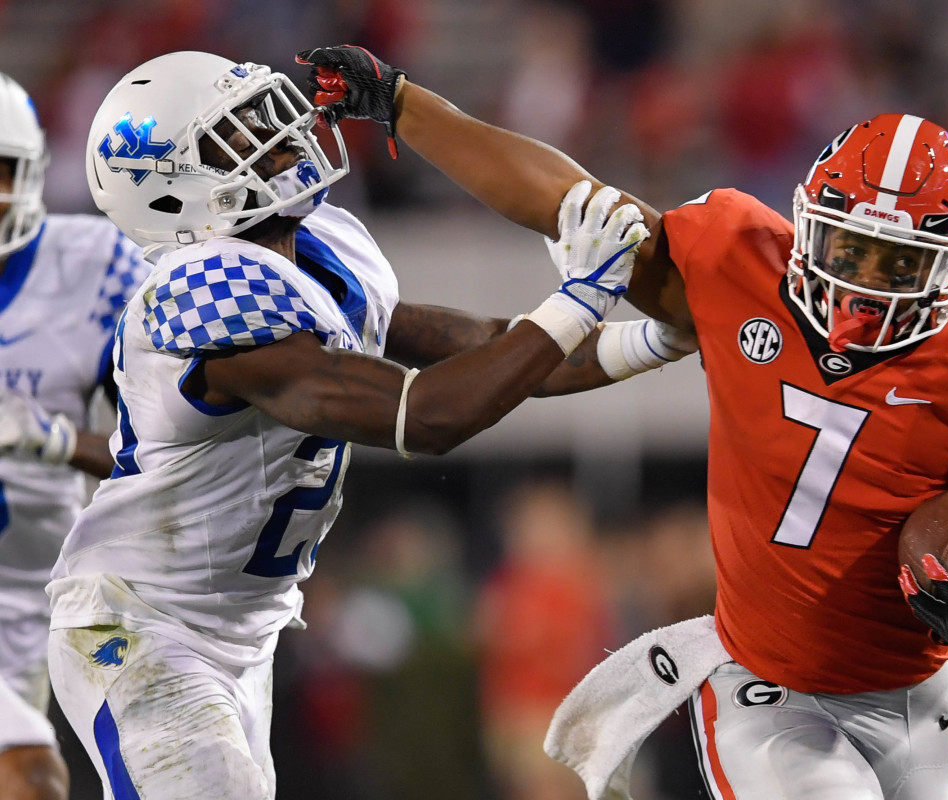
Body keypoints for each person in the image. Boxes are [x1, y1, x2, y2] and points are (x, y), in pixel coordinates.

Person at [298, 45, 948, 799]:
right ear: (808, 223)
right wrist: (404, 103)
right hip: (772, 691)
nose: (863, 283)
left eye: (895, 264)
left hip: (918, 696)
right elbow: (566, 201)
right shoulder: (738, 269)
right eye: (848, 246)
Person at [44, 50, 649, 800]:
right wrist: (580, 298)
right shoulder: (199, 295)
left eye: (267, 115)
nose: (285, 136)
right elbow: (423, 415)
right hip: (141, 623)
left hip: (240, 632)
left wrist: (650, 342)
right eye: (239, 135)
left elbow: (479, 346)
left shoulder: (323, 247)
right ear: (171, 191)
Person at [0, 71, 150, 800]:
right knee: (30, 778)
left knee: (152, 755)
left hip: (53, 587)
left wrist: (55, 440)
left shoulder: (94, 265)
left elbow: (164, 447)